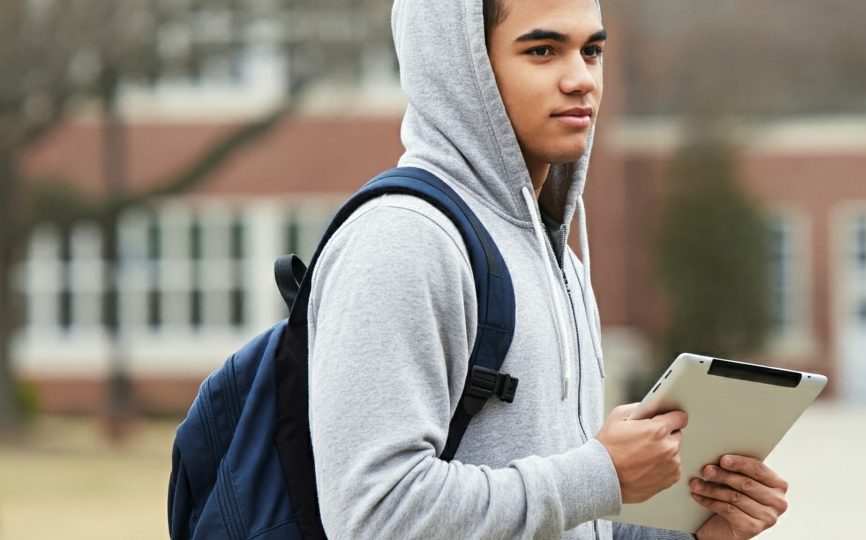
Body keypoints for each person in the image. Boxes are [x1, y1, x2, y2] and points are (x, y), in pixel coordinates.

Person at [307, 0, 789, 538]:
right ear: (460, 66)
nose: (581, 79)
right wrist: (600, 472)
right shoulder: (404, 240)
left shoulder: (557, 260)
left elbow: (569, 519)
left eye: (593, 51)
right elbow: (374, 516)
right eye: (543, 50)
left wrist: (693, 531)